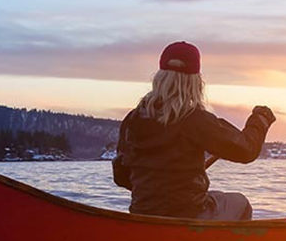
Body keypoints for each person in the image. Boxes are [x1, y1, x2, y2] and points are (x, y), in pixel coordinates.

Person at [113, 41, 276, 220]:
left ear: (159, 78)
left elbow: (121, 176)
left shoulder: (133, 119)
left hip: (143, 213)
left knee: (216, 197)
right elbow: (246, 150)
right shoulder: (195, 120)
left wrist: (156, 188)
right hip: (189, 213)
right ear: (195, 82)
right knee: (240, 202)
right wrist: (260, 120)